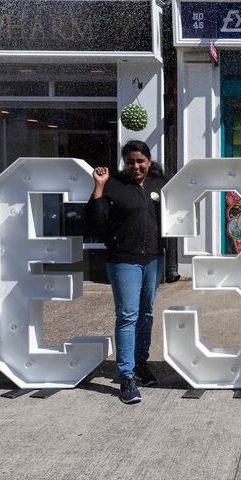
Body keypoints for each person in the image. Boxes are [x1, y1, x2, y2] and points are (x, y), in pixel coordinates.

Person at [87, 140, 165, 404]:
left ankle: (141, 364)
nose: (136, 166)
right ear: (125, 162)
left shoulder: (159, 184)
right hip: (123, 261)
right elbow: (96, 223)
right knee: (128, 316)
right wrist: (98, 187)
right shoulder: (114, 186)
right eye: (130, 161)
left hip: (153, 259)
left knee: (146, 314)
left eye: (140, 160)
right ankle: (127, 376)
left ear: (149, 160)